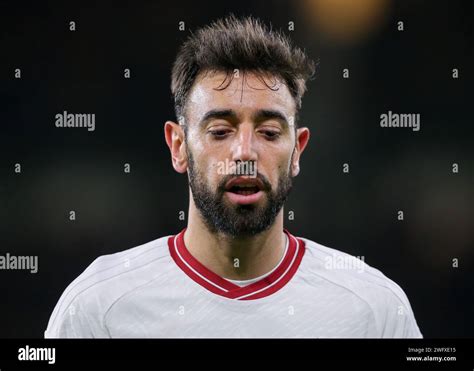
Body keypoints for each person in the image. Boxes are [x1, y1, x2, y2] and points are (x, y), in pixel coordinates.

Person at [45, 15, 422, 338]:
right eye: (220, 131)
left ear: (297, 151)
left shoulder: (375, 310)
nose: (244, 152)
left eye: (269, 132)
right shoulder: (97, 307)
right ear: (178, 146)